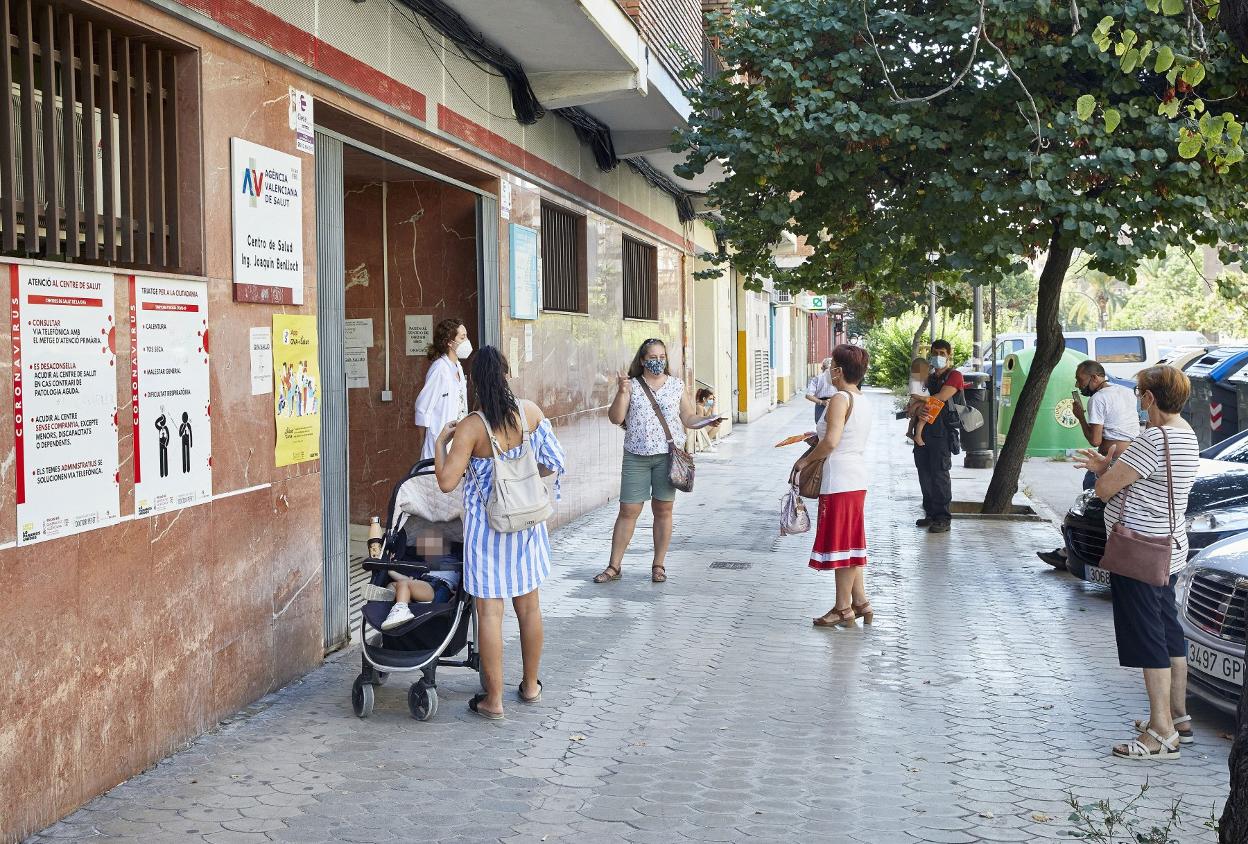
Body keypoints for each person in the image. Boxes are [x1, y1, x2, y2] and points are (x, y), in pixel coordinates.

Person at [1074, 365, 1199, 760]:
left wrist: (1101, 473)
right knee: (1166, 630)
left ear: (1148, 398)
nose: (1136, 398)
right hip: (1169, 547)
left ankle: (1161, 732)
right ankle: (1179, 717)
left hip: (1139, 550)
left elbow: (1106, 490)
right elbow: (1144, 477)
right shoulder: (1185, 434)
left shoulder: (1152, 439)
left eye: (1138, 392)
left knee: (1147, 637)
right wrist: (1106, 465)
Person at [433, 346, 565, 719]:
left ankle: (493, 700)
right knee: (529, 607)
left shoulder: (471, 427)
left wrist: (440, 443)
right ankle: (530, 685)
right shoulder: (530, 413)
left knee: (490, 615)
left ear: (474, 381)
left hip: (486, 532)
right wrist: (523, 483)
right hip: (526, 527)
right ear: (506, 375)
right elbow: (555, 462)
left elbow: (445, 482)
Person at [593, 338, 719, 585]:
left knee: (663, 510)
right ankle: (614, 566)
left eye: (662, 357)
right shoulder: (632, 386)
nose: (657, 361)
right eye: (652, 357)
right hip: (636, 455)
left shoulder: (676, 386)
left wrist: (707, 421)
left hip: (667, 456)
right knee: (628, 510)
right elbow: (615, 417)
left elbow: (688, 417)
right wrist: (621, 392)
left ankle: (658, 565)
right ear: (642, 360)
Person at [793, 344, 873, 628]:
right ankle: (860, 602)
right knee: (850, 542)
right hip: (856, 476)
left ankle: (842, 608)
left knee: (841, 545)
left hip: (839, 477)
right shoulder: (860, 398)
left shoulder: (839, 398)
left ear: (838, 371)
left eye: (831, 366)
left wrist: (805, 462)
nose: (827, 370)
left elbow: (832, 442)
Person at [1037, 360, 1141, 570]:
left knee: (1088, 505)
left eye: (1081, 380)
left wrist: (1080, 416)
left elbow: (1094, 440)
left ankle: (1075, 551)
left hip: (1109, 461)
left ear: (1095, 378)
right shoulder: (1125, 392)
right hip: (1130, 457)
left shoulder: (1098, 399)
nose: (1079, 385)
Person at [913, 339, 964, 534]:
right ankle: (931, 514)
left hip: (941, 433)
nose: (938, 357)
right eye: (934, 353)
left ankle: (943, 518)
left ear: (949, 355)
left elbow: (941, 397)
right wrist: (916, 409)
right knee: (924, 473)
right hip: (925, 431)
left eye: (942, 353)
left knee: (939, 474)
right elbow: (915, 394)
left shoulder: (955, 376)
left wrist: (918, 400)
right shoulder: (929, 377)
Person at [415, 318, 472, 462]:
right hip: (438, 443)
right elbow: (422, 409)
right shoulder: (440, 369)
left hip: (457, 441)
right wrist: (422, 444)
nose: (467, 341)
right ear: (449, 342)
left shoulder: (457, 366)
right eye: (462, 337)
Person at [905, 358, 932, 446]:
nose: (926, 374)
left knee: (914, 419)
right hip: (919, 401)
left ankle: (909, 432)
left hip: (921, 401)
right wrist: (923, 399)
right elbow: (913, 394)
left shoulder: (921, 378)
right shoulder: (914, 380)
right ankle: (918, 435)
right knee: (923, 418)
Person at [805, 358, 837, 423]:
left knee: (820, 426)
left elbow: (808, 395)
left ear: (822, 367)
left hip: (820, 406)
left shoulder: (817, 378)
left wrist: (821, 402)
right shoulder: (837, 378)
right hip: (836, 403)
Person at [688, 388, 719, 453]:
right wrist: (710, 410)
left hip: (701, 428)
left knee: (717, 424)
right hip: (698, 430)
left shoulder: (703, 406)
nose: (712, 401)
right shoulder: (699, 406)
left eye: (712, 399)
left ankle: (706, 444)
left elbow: (710, 417)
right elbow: (701, 421)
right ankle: (705, 445)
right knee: (717, 426)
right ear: (704, 399)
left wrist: (712, 407)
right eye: (710, 399)